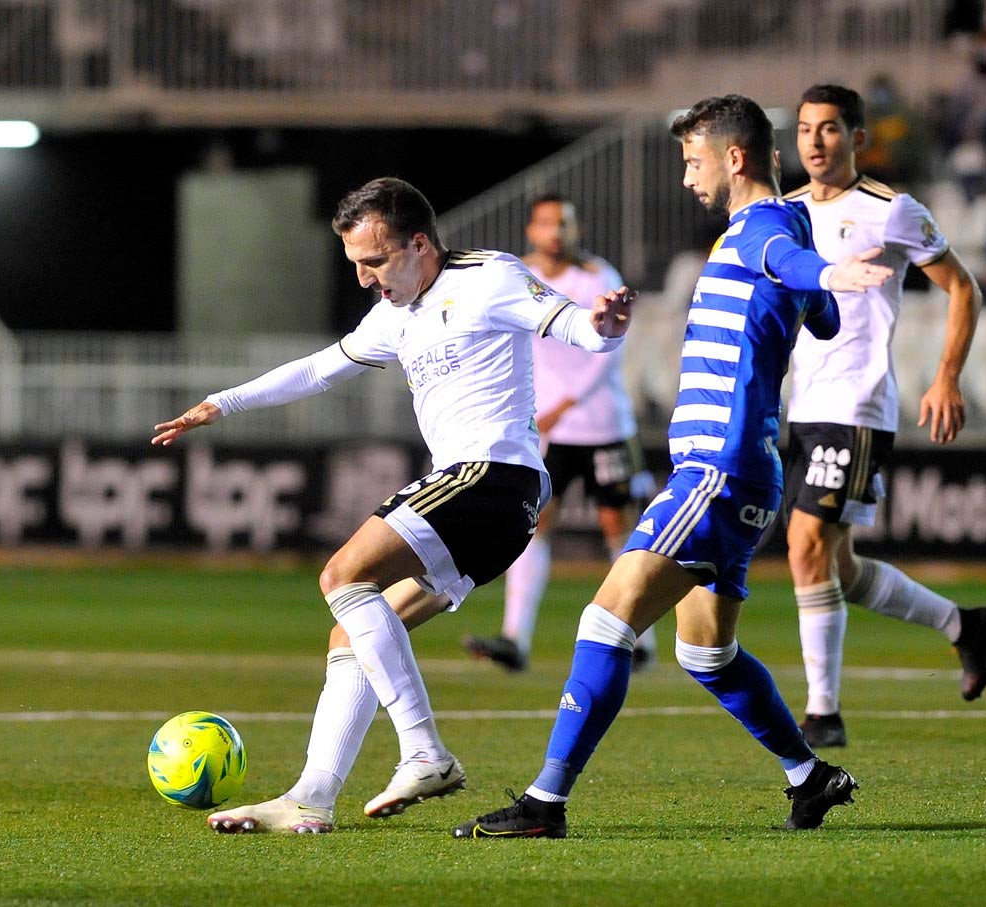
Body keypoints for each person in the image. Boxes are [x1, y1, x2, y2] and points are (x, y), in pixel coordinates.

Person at [453, 94, 893, 840]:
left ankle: (545, 802)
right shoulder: (772, 230)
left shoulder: (761, 231)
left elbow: (788, 268)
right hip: (741, 467)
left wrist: (819, 275)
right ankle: (809, 774)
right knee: (704, 649)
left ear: (734, 158)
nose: (686, 176)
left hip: (715, 469)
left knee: (606, 615)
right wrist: (818, 283)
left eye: (693, 161)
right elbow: (813, 308)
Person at [150, 177, 635, 834]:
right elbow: (321, 368)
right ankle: (311, 796)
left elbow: (578, 326)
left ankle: (424, 751)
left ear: (417, 243)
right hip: (483, 499)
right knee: (350, 630)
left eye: (373, 261)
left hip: (493, 475)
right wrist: (223, 402)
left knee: (340, 575)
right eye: (355, 264)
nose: (364, 278)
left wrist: (602, 325)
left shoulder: (489, 276)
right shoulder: (392, 313)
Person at [785, 84, 986, 750]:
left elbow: (962, 285)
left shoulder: (890, 210)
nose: (814, 142)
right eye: (802, 129)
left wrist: (945, 376)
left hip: (855, 401)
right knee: (838, 570)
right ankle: (962, 624)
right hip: (801, 403)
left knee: (803, 548)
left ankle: (822, 711)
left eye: (827, 129)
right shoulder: (781, 213)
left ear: (856, 138)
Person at [462, 193, 657, 673]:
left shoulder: (597, 277)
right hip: (545, 428)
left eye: (563, 223)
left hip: (602, 423)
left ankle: (641, 637)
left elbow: (609, 346)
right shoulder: (516, 275)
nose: (555, 232)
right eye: (546, 223)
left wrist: (561, 404)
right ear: (531, 230)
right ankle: (514, 638)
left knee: (620, 529)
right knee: (534, 526)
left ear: (577, 230)